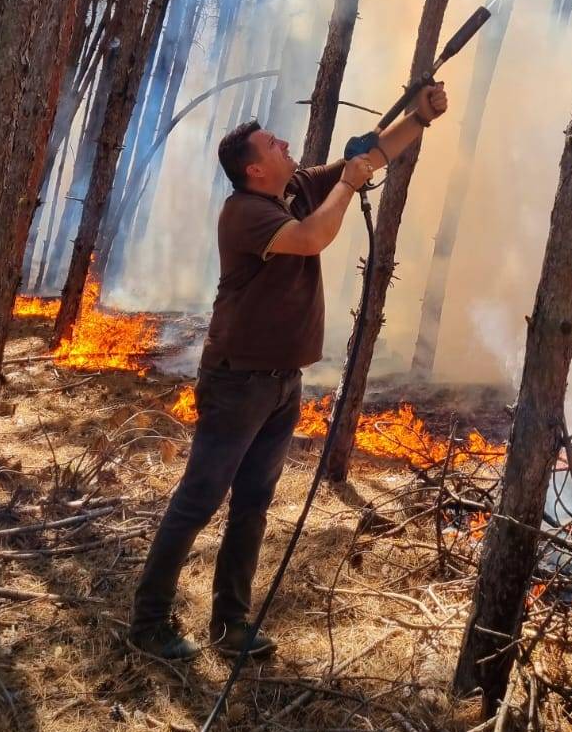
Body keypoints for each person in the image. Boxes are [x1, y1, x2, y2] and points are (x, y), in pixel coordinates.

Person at [130, 82, 449, 660]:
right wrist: (349, 185)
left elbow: (372, 152)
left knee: (253, 503)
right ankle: (149, 622)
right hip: (237, 384)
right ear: (254, 170)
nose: (284, 143)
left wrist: (419, 117)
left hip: (281, 382)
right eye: (272, 144)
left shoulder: (294, 189)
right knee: (199, 500)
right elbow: (313, 237)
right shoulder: (246, 213)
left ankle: (230, 625)